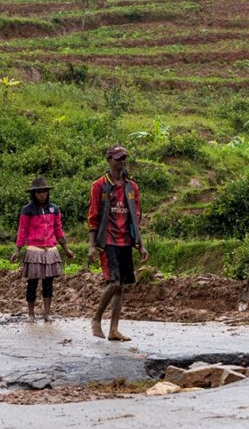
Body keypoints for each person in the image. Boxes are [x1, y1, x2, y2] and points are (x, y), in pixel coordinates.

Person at [88, 145, 148, 342]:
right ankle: (96, 319)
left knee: (121, 286)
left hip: (125, 241)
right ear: (109, 160)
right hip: (107, 240)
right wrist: (91, 245)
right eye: (117, 159)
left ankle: (114, 329)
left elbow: (136, 218)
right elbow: (94, 216)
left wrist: (140, 244)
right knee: (114, 282)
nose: (121, 162)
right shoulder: (100, 186)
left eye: (123, 158)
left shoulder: (132, 187)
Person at [11, 176, 75, 323]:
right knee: (32, 283)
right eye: (38, 192)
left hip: (51, 250)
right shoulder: (27, 210)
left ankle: (46, 313)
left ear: (47, 192)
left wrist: (67, 249)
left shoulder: (54, 209)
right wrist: (17, 250)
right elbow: (22, 230)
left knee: (48, 283)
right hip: (34, 250)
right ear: (33, 194)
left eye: (44, 191)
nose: (41, 194)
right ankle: (31, 314)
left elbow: (59, 231)